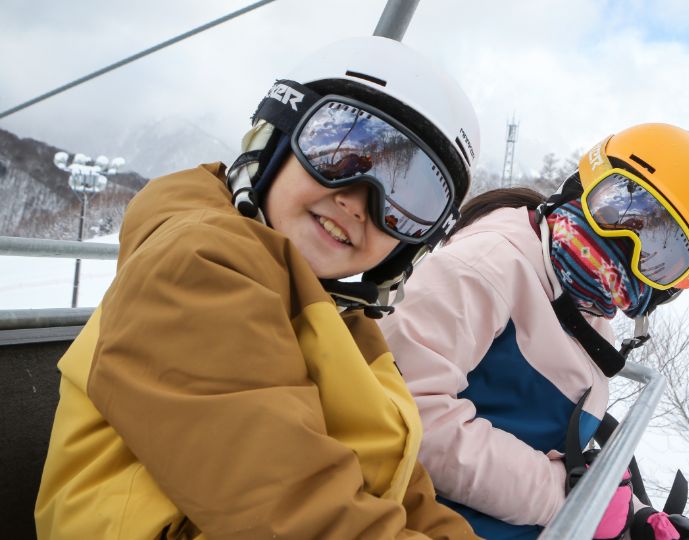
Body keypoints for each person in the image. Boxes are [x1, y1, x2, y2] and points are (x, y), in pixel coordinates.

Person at [35, 36, 482, 539]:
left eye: (408, 198)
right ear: (277, 140)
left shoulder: (343, 322)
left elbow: (403, 488)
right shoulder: (198, 267)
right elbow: (292, 513)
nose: (360, 203)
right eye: (341, 152)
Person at [378, 123, 689, 539]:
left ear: (673, 287)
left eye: (660, 253)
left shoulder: (587, 313)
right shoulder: (486, 267)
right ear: (583, 183)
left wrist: (631, 512)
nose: (624, 243)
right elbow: (407, 416)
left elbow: (541, 444)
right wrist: (573, 499)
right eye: (620, 207)